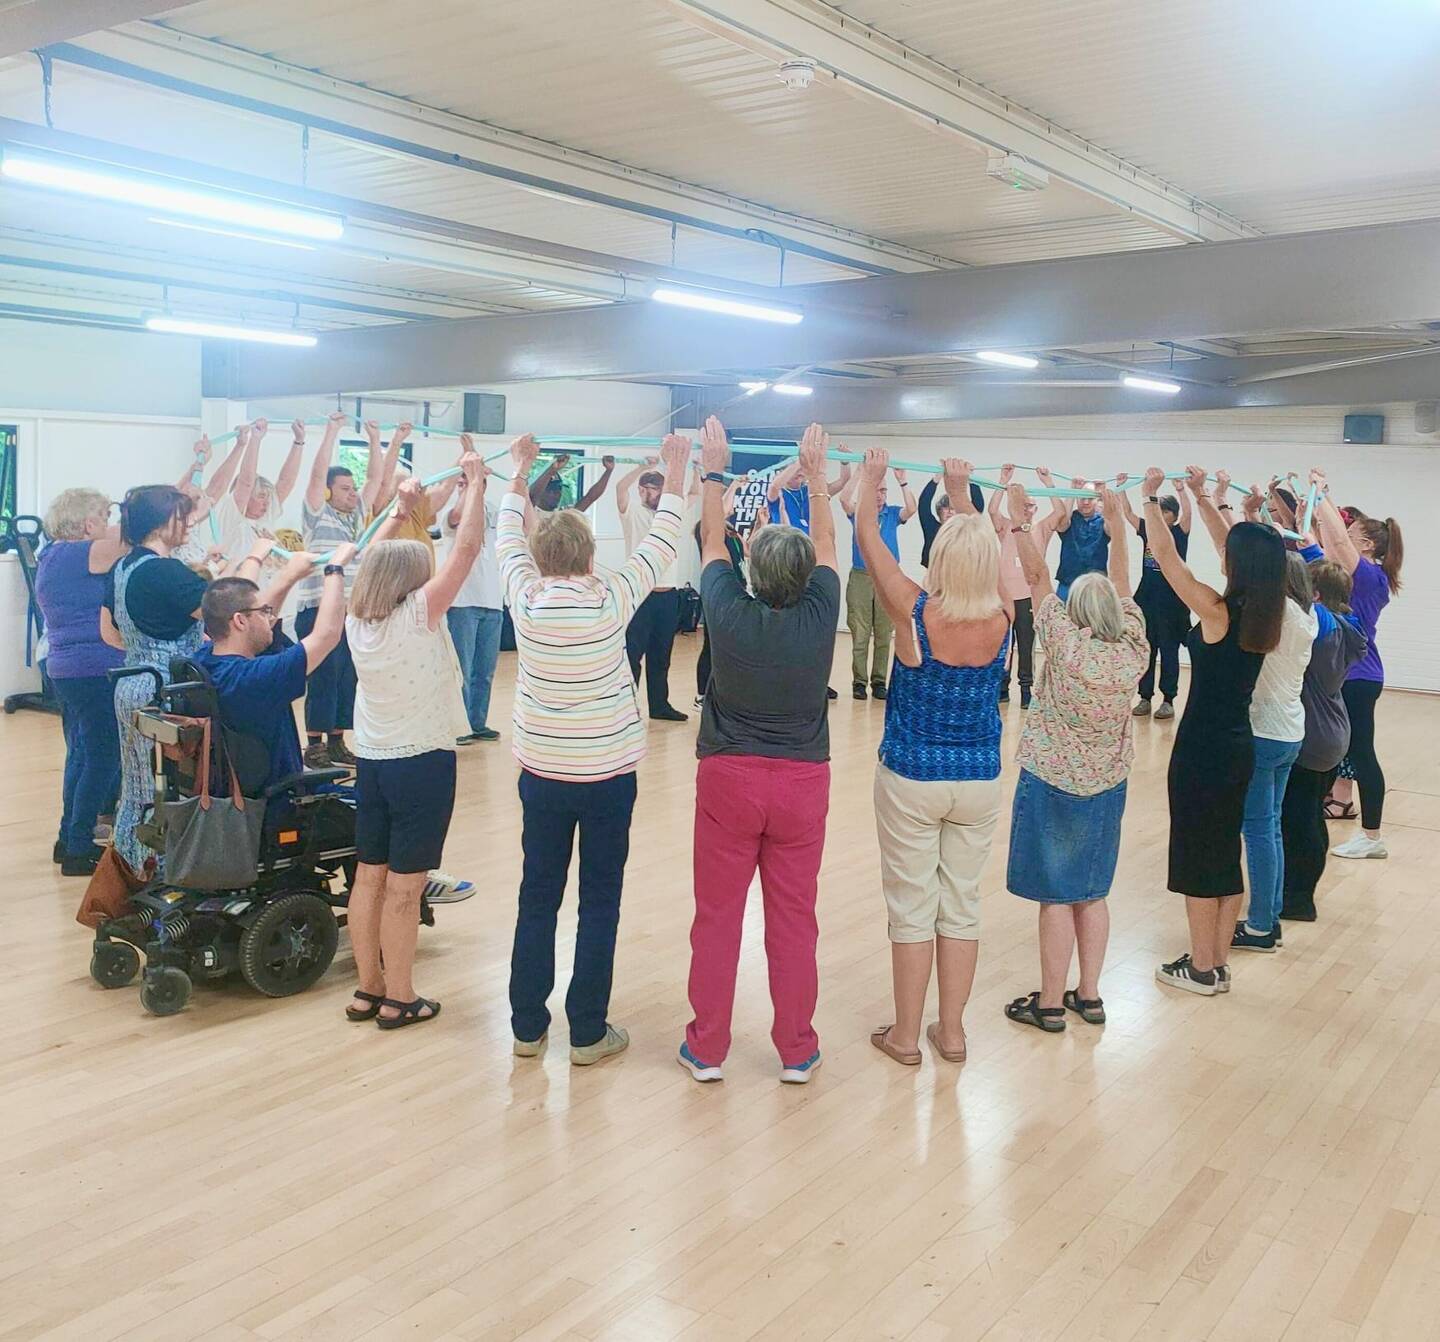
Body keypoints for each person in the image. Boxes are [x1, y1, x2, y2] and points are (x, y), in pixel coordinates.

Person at [498, 432, 689, 1066]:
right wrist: (680, 472)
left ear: (540, 557)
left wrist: (519, 471)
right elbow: (662, 544)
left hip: (543, 778)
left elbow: (505, 534)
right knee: (598, 900)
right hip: (607, 781)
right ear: (589, 558)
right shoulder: (612, 601)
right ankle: (586, 1032)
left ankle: (527, 1028)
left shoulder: (523, 602)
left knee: (537, 897)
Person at [679, 420, 839, 1086]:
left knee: (717, 918)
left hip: (729, 779)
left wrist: (714, 469)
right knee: (794, 919)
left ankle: (707, 1048)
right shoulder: (822, 607)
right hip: (802, 785)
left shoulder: (725, 605)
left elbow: (712, 537)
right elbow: (828, 540)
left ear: (751, 568)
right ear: (804, 576)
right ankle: (796, 1049)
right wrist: (819, 476)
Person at [860, 454, 1009, 1067]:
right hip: (978, 780)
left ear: (942, 558)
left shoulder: (915, 611)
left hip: (914, 777)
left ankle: (904, 1036)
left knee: (912, 906)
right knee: (962, 904)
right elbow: (978, 553)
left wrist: (870, 478)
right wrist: (958, 492)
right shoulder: (1001, 616)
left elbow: (869, 536)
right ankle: (951, 1032)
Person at [341, 448, 487, 1030]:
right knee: (406, 888)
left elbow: (377, 556)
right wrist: (473, 484)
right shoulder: (418, 616)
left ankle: (367, 989)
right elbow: (467, 550)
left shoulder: (359, 619)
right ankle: (401, 997)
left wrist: (403, 512)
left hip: (373, 764)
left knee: (368, 877)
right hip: (421, 764)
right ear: (410, 583)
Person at [1002, 480, 1148, 1032]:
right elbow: (1123, 582)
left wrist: (1018, 524)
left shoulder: (1064, 641)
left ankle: (1049, 1003)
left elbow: (1038, 578)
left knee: (1056, 897)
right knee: (1093, 891)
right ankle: (1089, 995)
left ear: (1076, 614)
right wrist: (1115, 526)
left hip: (1053, 780)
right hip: (1108, 785)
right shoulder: (1134, 647)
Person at [1140, 466, 1286, 996]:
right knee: (1225, 853)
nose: (1221, 554)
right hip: (1236, 747)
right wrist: (1202, 498)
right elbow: (1236, 546)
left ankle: (1202, 968)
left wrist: (1151, 500)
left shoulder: (1220, 612)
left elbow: (1170, 563)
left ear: (1238, 566)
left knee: (1199, 857)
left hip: (1202, 749)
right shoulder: (1268, 608)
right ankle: (1216, 962)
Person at [103, 484, 209, 875]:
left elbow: (108, 632)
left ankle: (129, 877)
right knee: (167, 790)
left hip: (131, 682)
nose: (190, 523)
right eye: (184, 516)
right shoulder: (166, 571)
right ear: (165, 522)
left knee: (137, 789)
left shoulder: (124, 567)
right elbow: (225, 614)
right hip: (165, 689)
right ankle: (164, 877)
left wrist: (146, 645)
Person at [1227, 541, 1317, 952]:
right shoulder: (1307, 617)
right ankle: (1271, 914)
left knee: (1259, 829)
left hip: (1264, 732)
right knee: (1272, 826)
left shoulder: (1277, 615)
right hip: (1290, 732)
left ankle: (1261, 924)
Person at [35, 488, 127, 875]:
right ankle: (77, 847)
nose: (108, 525)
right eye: (104, 517)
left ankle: (68, 838)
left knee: (82, 755)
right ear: (88, 524)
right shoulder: (76, 553)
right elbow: (134, 535)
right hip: (92, 669)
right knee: (102, 758)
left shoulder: (53, 556)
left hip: (71, 670)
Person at [1310, 474, 1403, 860]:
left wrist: (1324, 494)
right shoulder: (1346, 574)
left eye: (1352, 534)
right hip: (1343, 675)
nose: (1344, 536)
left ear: (1365, 545)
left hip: (1360, 677)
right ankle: (1330, 806)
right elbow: (1320, 542)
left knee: (1362, 753)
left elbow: (1336, 540)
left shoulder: (1371, 577)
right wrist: (1308, 505)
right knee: (1335, 748)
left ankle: (1372, 836)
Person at [1279, 560, 1367, 922]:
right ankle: (1298, 892)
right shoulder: (1347, 626)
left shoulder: (1323, 629)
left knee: (1299, 820)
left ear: (1314, 595)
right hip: (1332, 731)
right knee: (1309, 815)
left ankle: (1298, 899)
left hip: (1313, 735)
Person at [296, 411, 385, 769]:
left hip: (350, 611)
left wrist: (377, 441)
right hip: (318, 609)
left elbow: (376, 480)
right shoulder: (317, 514)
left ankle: (337, 740)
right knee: (323, 677)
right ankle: (313, 745)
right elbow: (317, 475)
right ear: (330, 492)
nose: (352, 494)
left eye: (352, 488)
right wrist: (330, 431)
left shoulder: (355, 518)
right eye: (345, 489)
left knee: (347, 676)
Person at [615, 457, 694, 722]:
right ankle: (627, 708)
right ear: (641, 490)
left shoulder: (671, 515)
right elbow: (619, 489)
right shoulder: (633, 513)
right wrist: (641, 468)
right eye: (646, 488)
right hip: (640, 595)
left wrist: (696, 468)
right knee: (633, 654)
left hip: (668, 595)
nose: (651, 493)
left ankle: (659, 706)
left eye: (656, 488)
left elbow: (694, 493)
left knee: (662, 655)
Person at [988, 464, 1066, 708]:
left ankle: (1025, 689)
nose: (1027, 510)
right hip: (1004, 597)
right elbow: (991, 510)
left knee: (1026, 645)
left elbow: (1061, 512)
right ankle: (1001, 687)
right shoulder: (1006, 526)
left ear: (1035, 508)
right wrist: (1003, 481)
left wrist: (1048, 482)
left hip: (1028, 598)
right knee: (1003, 644)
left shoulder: (1041, 528)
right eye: (1023, 505)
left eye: (1031, 506)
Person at [839, 461, 917, 700]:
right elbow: (844, 499)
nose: (880, 495)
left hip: (888, 580)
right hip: (861, 578)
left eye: (883, 491)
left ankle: (879, 681)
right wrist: (861, 475)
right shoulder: (859, 513)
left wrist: (903, 481)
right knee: (860, 633)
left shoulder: (892, 514)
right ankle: (859, 682)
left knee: (884, 633)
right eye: (876, 490)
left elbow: (911, 509)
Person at [440, 466, 503, 743]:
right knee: (461, 669)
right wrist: (468, 486)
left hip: (492, 601)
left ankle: (477, 722)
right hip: (462, 601)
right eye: (462, 482)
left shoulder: (494, 511)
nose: (469, 485)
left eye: (476, 481)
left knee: (485, 670)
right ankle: (458, 725)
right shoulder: (453, 512)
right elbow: (455, 518)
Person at [1120, 480, 1192, 720]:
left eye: (1165, 510)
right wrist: (1121, 487)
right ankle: (1144, 697)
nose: (1160, 514)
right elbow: (1128, 513)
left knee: (1169, 653)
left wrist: (1182, 490)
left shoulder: (1179, 533)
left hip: (1172, 604)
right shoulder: (1148, 530)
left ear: (1173, 515)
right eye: (1157, 509)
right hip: (1147, 600)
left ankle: (1168, 700)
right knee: (1146, 651)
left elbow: (1189, 513)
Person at [209, 419, 306, 569]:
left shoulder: (265, 520)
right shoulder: (234, 517)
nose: (266, 503)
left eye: (267, 498)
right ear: (248, 497)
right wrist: (255, 439)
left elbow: (286, 482)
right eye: (261, 497)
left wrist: (299, 441)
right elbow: (246, 482)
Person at [1053, 475, 1110, 602]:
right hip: (1068, 584)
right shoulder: (1069, 519)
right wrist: (1073, 489)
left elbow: (1113, 529)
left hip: (1095, 586)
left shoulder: (1103, 521)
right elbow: (1062, 525)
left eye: (1090, 498)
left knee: (1094, 621)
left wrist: (1104, 495)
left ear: (1097, 500)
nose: (1085, 502)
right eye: (1082, 497)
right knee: (1061, 620)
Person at [764, 455, 850, 532]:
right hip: (785, 543)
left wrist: (845, 462)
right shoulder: (778, 493)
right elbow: (774, 487)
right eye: (795, 469)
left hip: (809, 544)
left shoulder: (811, 490)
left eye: (802, 468)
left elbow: (843, 481)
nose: (800, 472)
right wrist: (800, 460)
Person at [918, 471, 984, 567]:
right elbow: (923, 504)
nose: (949, 511)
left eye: (953, 509)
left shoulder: (965, 530)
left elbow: (977, 508)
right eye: (945, 508)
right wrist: (936, 479)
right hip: (934, 575)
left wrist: (971, 479)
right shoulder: (931, 527)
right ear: (939, 512)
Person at [529, 452, 615, 513]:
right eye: (552, 490)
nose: (557, 494)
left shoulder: (563, 516)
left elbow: (590, 498)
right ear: (542, 491)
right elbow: (532, 496)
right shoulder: (530, 512)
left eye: (559, 489)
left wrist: (608, 471)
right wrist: (552, 470)